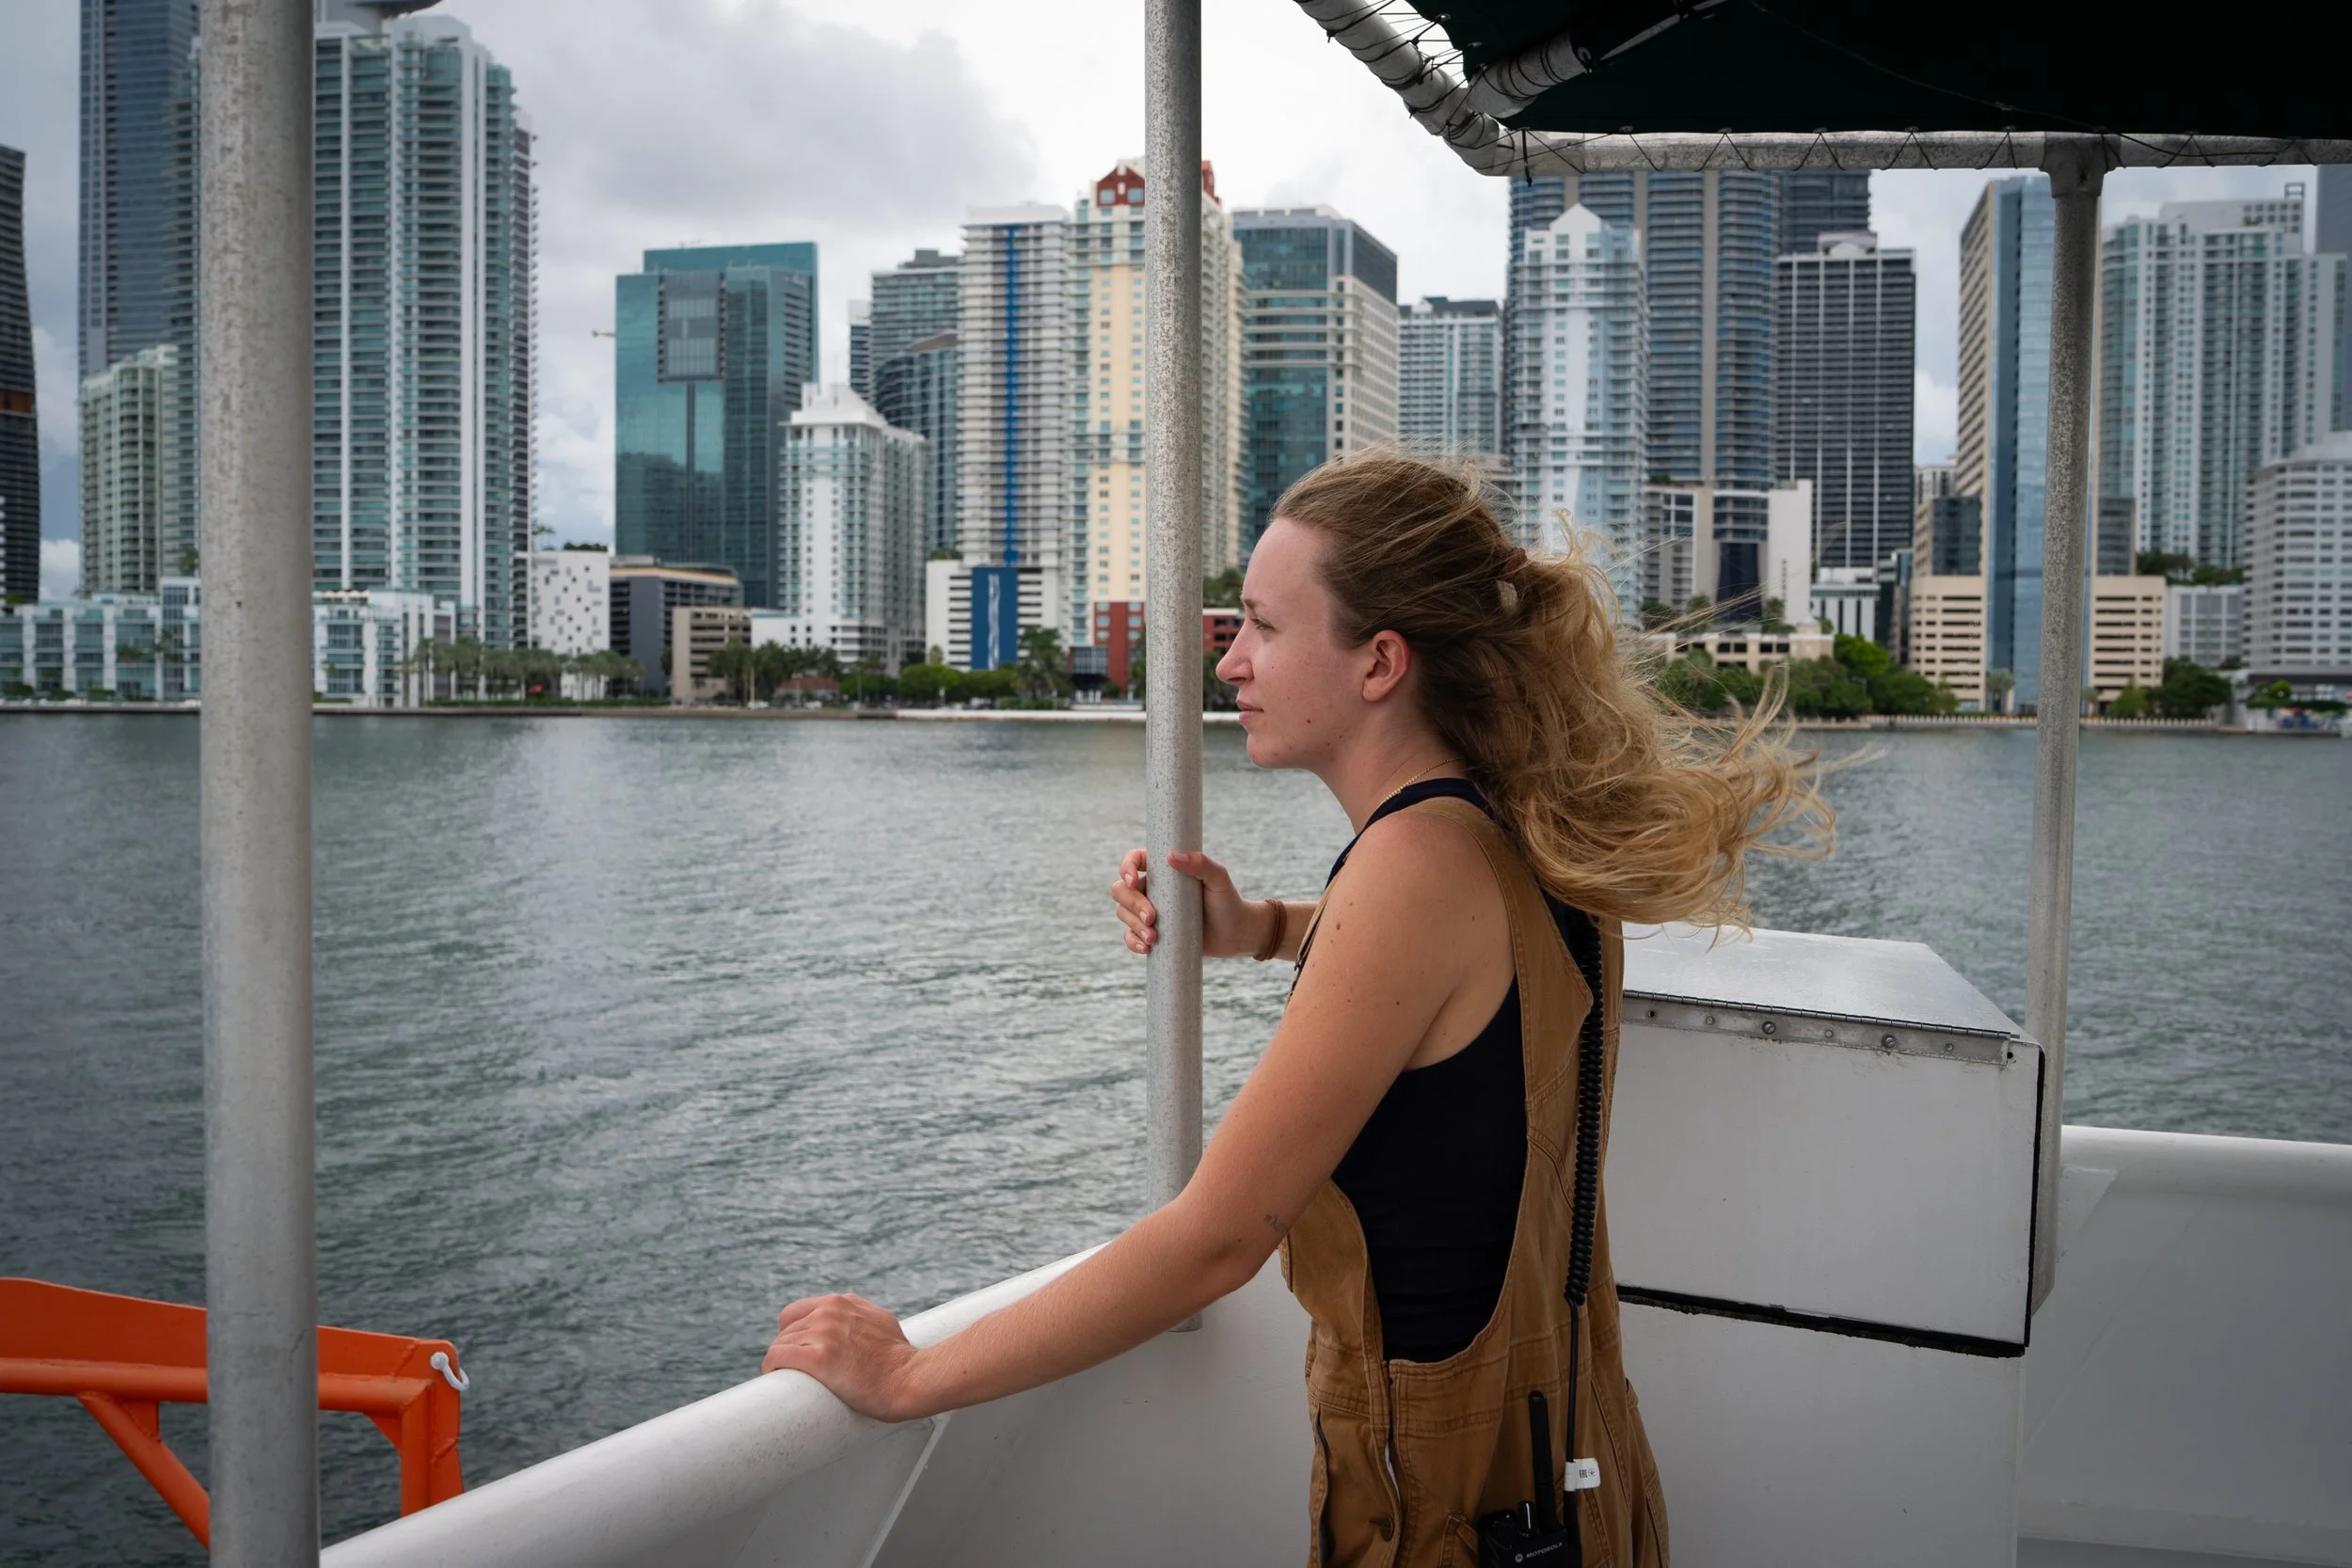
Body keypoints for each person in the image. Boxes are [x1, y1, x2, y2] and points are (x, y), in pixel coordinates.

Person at [762, 451, 1829, 1565]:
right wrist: (1260, 923)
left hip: (1449, 1514)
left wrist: (908, 1375)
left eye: (1264, 627)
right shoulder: (1518, 831)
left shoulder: (1413, 867)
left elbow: (1213, 1239)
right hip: (1571, 1476)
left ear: (1379, 661)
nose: (1229, 661)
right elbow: (1461, 967)